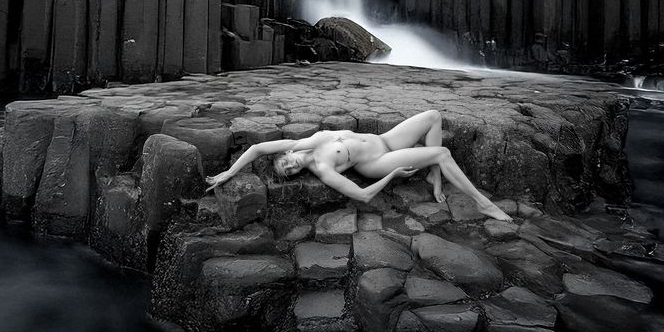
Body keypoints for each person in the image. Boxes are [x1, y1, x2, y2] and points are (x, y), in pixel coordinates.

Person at [204, 110, 513, 222]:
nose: (292, 165)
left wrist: (230, 172)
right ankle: (482, 203)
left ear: (284, 155)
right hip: (379, 161)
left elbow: (257, 148)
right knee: (443, 152)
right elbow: (362, 196)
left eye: (286, 163)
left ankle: (434, 173)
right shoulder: (323, 169)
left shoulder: (299, 144)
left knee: (433, 116)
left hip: (384, 139)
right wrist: (391, 174)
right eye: (290, 172)